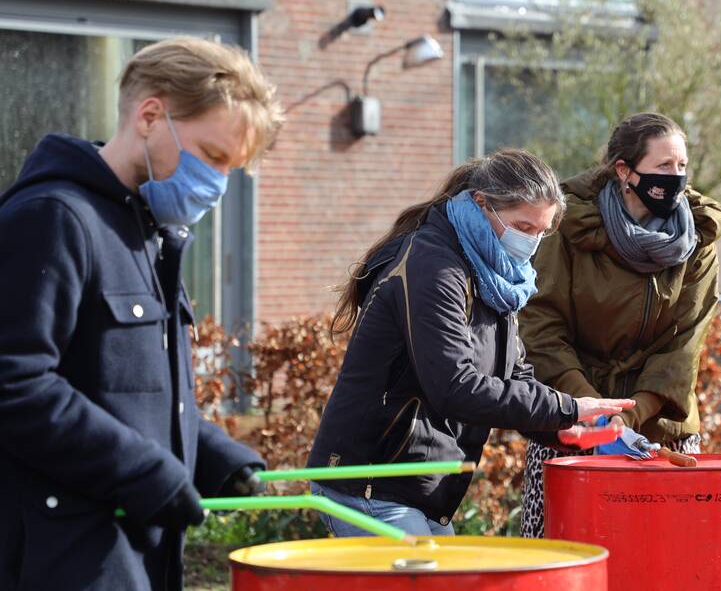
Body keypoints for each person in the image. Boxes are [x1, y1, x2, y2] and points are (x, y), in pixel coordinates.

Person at [0, 37, 284, 590]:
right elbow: (15, 384)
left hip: (132, 554)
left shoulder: (146, 234)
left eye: (232, 168)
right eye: (213, 156)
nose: (218, 184)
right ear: (151, 115)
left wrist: (215, 458)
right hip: (62, 559)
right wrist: (140, 469)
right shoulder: (53, 218)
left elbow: (134, 393)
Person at [307, 149, 634, 537]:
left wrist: (562, 429)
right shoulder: (434, 267)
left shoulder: (496, 274)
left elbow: (515, 376)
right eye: (523, 227)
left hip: (418, 489)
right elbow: (455, 387)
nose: (532, 242)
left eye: (542, 231)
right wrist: (566, 407)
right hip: (370, 482)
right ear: (482, 204)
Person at [517, 112, 721, 538]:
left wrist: (630, 419)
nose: (677, 177)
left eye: (682, 166)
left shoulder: (698, 241)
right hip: (573, 424)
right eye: (664, 166)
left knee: (665, 562)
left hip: (661, 430)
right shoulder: (566, 228)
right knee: (568, 556)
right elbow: (540, 326)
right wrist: (589, 410)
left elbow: (684, 345)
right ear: (624, 171)